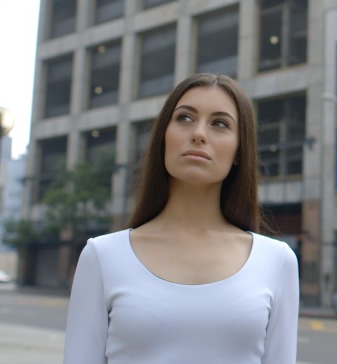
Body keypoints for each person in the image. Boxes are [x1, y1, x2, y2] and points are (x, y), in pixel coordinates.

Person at [64, 73, 299, 364]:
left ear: (240, 151)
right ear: (164, 137)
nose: (199, 133)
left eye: (220, 123)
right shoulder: (102, 255)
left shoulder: (276, 261)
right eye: (185, 118)